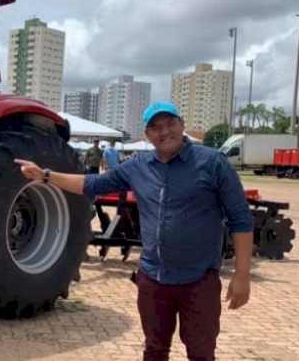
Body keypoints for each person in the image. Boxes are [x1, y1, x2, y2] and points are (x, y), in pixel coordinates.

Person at [15, 101, 253, 361]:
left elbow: (241, 220)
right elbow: (93, 184)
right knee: (154, 350)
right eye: (156, 127)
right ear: (148, 135)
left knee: (201, 354)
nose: (165, 131)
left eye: (170, 124)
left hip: (198, 279)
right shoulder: (138, 166)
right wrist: (45, 175)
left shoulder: (212, 163)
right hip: (153, 278)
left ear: (182, 125)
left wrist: (242, 275)